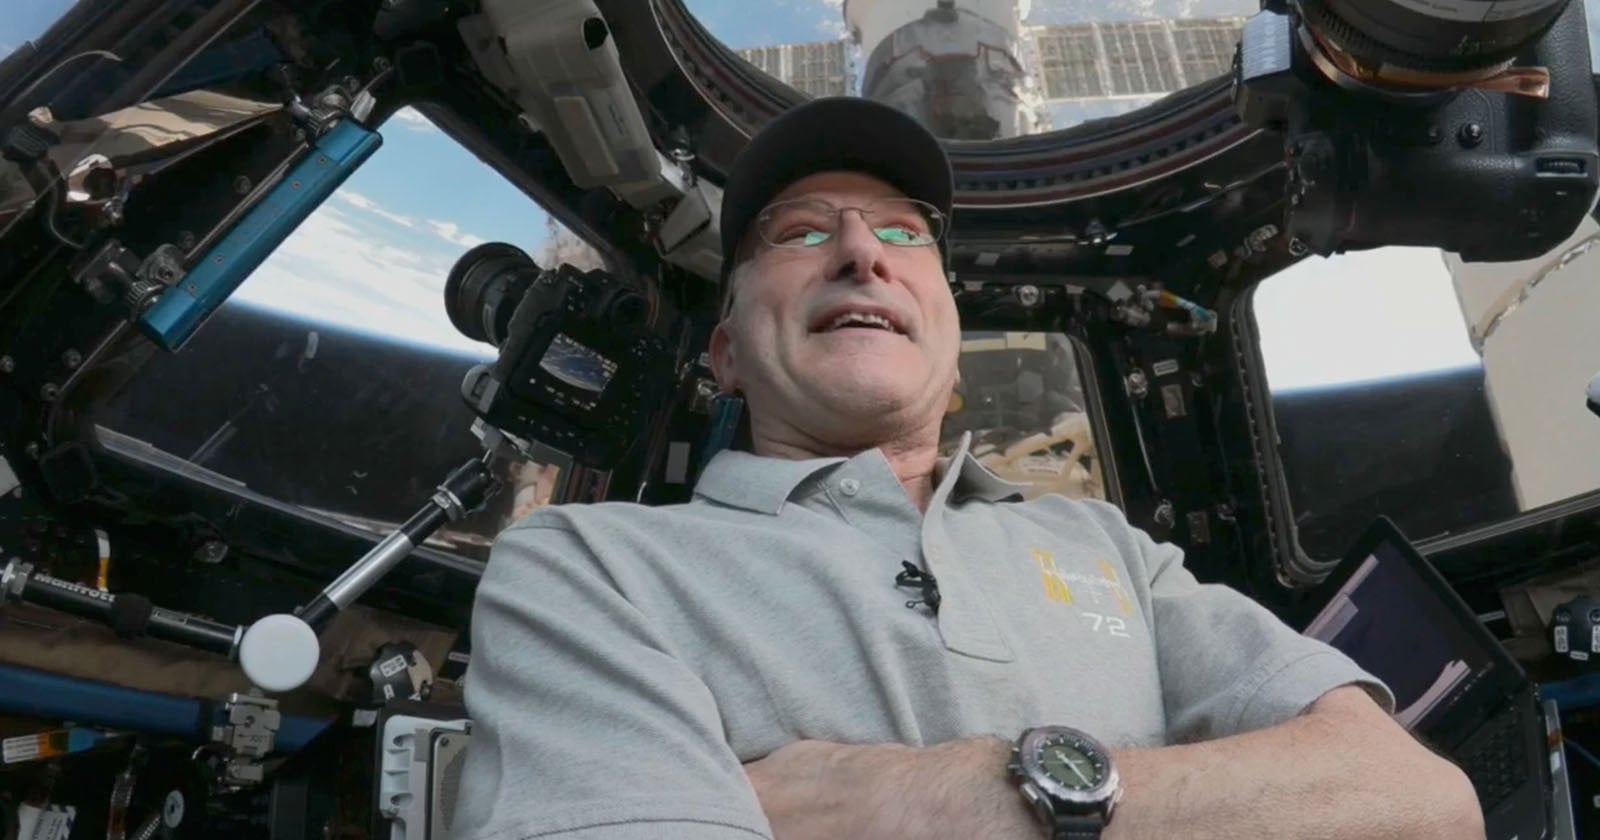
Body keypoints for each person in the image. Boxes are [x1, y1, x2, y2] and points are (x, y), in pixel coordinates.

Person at [449, 96, 1484, 840]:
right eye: (800, 232)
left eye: (904, 234)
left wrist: (955, 798)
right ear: (723, 355)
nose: (861, 250)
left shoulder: (1112, 551)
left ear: (945, 342)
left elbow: (1415, 803)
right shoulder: (585, 567)